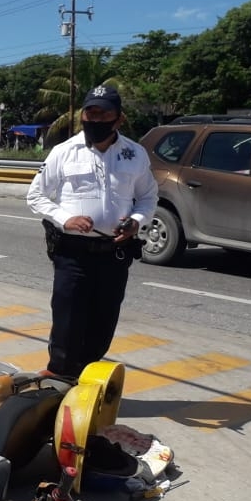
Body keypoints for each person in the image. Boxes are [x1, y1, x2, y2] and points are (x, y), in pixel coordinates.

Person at [27, 85, 158, 383]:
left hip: (114, 252)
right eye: (91, 112)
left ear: (119, 119)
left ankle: (86, 378)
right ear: (82, 115)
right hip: (72, 251)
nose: (95, 119)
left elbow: (149, 197)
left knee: (103, 321)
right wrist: (66, 218)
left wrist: (137, 220)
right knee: (67, 319)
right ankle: (58, 376)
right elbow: (36, 196)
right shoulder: (63, 152)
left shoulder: (134, 154)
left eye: (104, 113)